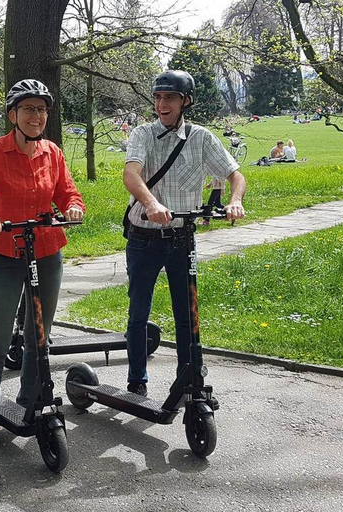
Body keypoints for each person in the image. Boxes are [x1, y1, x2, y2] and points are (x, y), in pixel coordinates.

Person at [0, 79, 85, 452]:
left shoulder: (52, 152)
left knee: (38, 337)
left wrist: (74, 207)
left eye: (42, 109)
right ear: (13, 114)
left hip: (46, 251)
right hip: (6, 254)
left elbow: (67, 192)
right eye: (28, 109)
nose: (36, 116)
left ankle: (30, 405)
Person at [122, 70, 246, 397]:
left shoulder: (201, 138)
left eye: (170, 98)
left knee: (187, 314)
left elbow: (236, 175)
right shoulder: (142, 134)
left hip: (181, 239)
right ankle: (137, 382)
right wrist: (150, 203)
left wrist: (234, 202)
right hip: (144, 237)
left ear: (185, 101)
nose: (162, 104)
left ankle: (188, 381)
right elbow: (131, 174)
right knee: (138, 313)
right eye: (158, 97)